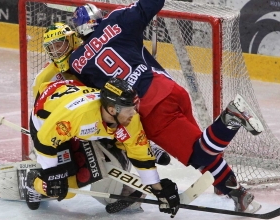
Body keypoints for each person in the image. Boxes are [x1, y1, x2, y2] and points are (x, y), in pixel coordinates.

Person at [68, 1, 264, 214]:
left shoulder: (78, 61)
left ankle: (231, 119)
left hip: (149, 108)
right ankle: (239, 194)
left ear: (79, 30)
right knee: (200, 151)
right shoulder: (117, 19)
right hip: (169, 88)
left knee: (199, 153)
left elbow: (86, 98)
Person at [26, 78, 180, 217]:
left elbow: (140, 154)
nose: (133, 113)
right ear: (112, 110)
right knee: (62, 189)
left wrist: (158, 189)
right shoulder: (79, 116)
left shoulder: (126, 117)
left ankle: (121, 145)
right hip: (45, 123)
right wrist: (51, 174)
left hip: (76, 115)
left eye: (133, 107)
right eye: (129, 109)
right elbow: (44, 141)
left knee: (127, 140)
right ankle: (32, 183)